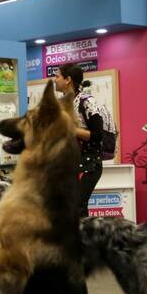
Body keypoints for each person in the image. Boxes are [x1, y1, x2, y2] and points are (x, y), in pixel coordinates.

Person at [54, 64, 104, 217]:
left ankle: (81, 233)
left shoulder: (87, 102)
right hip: (69, 163)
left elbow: (98, 134)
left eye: (57, 76)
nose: (54, 80)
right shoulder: (61, 104)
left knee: (77, 206)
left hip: (88, 164)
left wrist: (71, 129)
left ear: (68, 80)